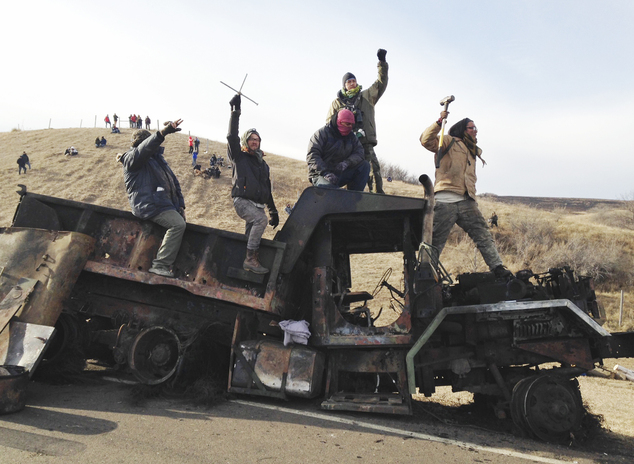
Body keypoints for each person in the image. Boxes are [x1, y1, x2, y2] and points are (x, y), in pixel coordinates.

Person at [420, 110, 511, 278]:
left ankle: (498, 268)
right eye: (471, 127)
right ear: (462, 129)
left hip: (467, 201)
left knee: (483, 235)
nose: (475, 130)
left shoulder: (472, 150)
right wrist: (439, 122)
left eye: (475, 127)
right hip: (444, 200)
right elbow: (425, 140)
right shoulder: (448, 142)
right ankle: (426, 278)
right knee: (435, 243)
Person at [117, 120, 186, 278]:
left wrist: (180, 206)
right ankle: (160, 265)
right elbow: (143, 149)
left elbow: (174, 183)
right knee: (177, 225)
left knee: (179, 222)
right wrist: (162, 133)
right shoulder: (131, 158)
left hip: (161, 204)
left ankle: (166, 264)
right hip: (149, 204)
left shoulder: (158, 161)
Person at [227, 94, 279, 274]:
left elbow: (266, 188)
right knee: (260, 220)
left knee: (252, 231)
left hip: (258, 204)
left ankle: (245, 268)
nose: (255, 142)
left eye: (257, 139)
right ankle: (250, 259)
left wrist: (273, 210)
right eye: (251, 139)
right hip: (242, 201)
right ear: (245, 142)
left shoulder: (263, 165)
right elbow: (231, 136)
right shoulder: (239, 156)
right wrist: (235, 113)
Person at [326, 49, 389, 194]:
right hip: (345, 144)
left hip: (365, 141)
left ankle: (378, 196)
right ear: (344, 85)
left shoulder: (367, 96)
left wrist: (382, 63)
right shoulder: (337, 103)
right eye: (349, 82)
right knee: (349, 170)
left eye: (354, 80)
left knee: (373, 169)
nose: (352, 83)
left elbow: (381, 83)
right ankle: (350, 199)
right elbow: (329, 124)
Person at [307, 108, 370, 191]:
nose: (350, 127)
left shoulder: (352, 137)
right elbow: (312, 156)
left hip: (339, 173)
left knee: (364, 165)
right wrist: (325, 173)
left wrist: (347, 163)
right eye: (347, 124)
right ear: (339, 121)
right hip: (320, 175)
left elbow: (359, 153)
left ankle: (354, 198)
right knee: (333, 192)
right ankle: (338, 195)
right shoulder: (321, 134)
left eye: (352, 125)